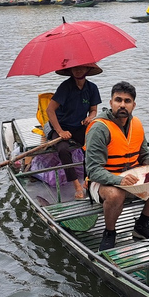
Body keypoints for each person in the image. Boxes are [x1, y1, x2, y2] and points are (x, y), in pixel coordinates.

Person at [85, 81, 149, 251]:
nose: (122, 105)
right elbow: (93, 170)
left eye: (127, 101)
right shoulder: (99, 128)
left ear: (133, 105)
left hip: (132, 178)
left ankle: (141, 225)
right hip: (102, 182)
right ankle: (109, 232)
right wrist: (118, 180)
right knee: (116, 194)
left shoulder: (136, 124)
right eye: (118, 100)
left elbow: (144, 155)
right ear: (111, 103)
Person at [46, 64, 103, 199]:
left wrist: (90, 117)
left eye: (82, 68)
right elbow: (50, 110)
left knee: (93, 144)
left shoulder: (92, 88)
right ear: (70, 70)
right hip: (61, 126)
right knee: (63, 150)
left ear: (88, 70)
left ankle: (88, 180)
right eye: (75, 68)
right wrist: (60, 131)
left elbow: (93, 110)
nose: (78, 70)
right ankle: (77, 185)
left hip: (79, 126)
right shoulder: (65, 87)